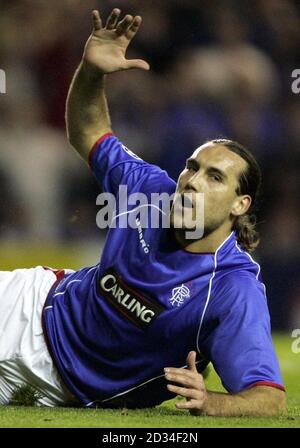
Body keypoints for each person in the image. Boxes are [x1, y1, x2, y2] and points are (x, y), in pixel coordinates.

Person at [0, 8, 286, 416]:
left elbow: (270, 397)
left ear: (241, 206)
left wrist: (213, 402)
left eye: (215, 178)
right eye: (192, 167)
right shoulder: (151, 190)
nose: (192, 181)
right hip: (30, 305)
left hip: (65, 387)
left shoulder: (231, 289)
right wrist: (91, 72)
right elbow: (89, 132)